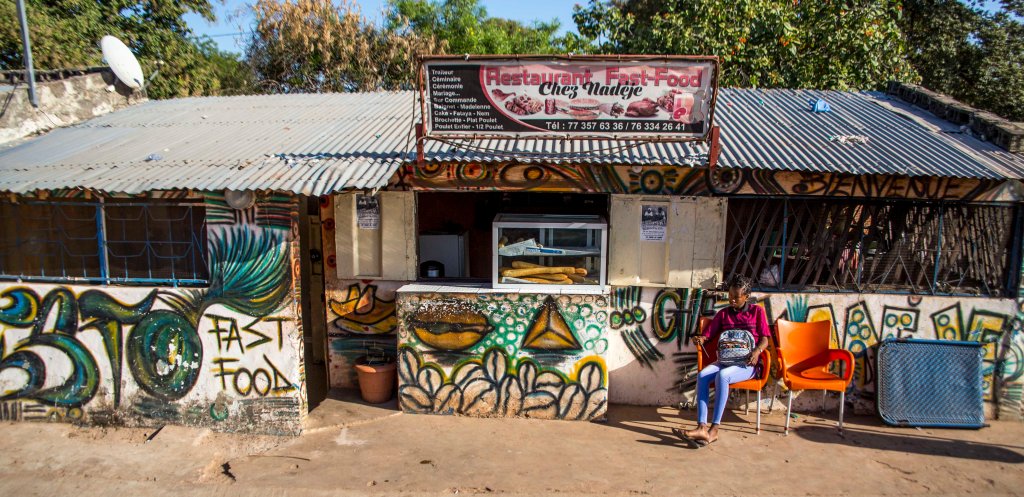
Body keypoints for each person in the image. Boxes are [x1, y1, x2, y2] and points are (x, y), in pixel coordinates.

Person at [674, 274, 770, 445]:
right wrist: (700, 339)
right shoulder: (723, 314)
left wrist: (757, 351)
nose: (731, 300)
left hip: (747, 364)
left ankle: (714, 430)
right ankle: (702, 427)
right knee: (703, 375)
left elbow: (765, 339)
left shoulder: (757, 312)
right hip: (725, 361)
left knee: (723, 376)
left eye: (736, 297)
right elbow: (708, 335)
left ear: (746, 296)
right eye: (730, 295)